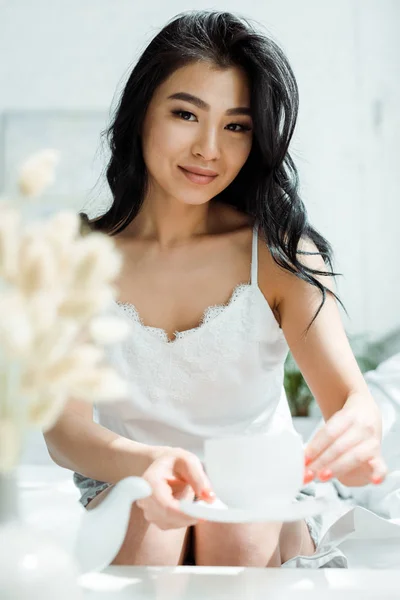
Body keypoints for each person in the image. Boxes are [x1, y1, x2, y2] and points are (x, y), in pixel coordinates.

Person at [44, 10, 386, 568]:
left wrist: (360, 429)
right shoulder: (78, 260)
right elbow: (64, 429)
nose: (209, 148)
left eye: (236, 125)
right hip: (131, 481)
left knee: (241, 532)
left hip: (263, 498)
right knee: (153, 521)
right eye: (185, 114)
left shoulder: (278, 254)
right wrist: (147, 464)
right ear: (140, 115)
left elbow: (350, 401)